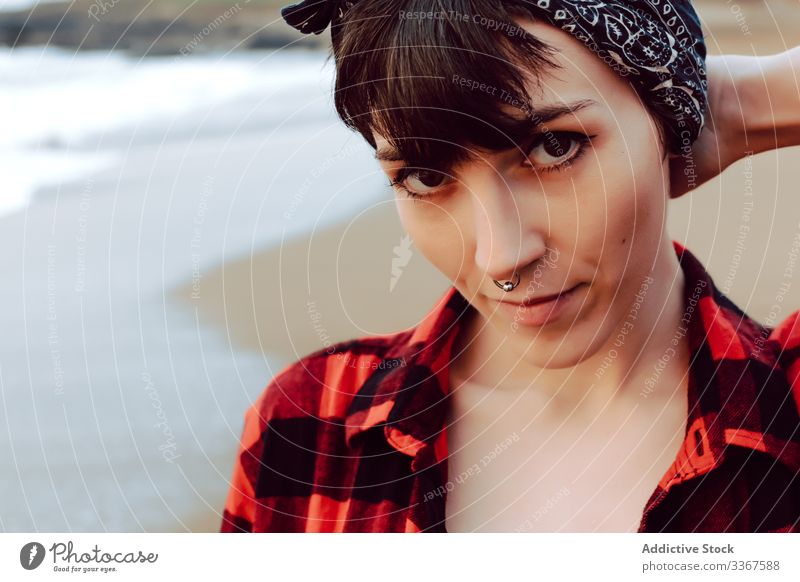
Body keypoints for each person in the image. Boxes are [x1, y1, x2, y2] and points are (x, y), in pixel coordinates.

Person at [221, 0, 800, 532]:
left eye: (555, 146)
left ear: (668, 128)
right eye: (425, 177)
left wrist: (727, 104)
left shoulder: (787, 404)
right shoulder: (312, 423)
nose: (501, 258)